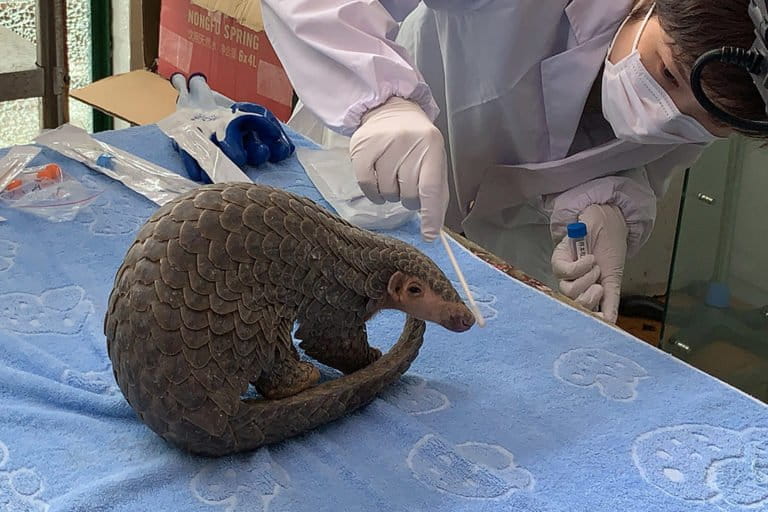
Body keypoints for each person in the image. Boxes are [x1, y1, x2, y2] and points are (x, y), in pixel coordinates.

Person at [260, 0, 768, 323]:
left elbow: (634, 161)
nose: (662, 119)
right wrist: (378, 100)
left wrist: (607, 206)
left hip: (499, 255)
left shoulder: (726, 99)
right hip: (372, 167)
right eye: (667, 74)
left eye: (705, 123)